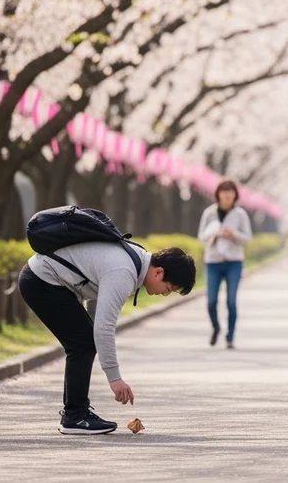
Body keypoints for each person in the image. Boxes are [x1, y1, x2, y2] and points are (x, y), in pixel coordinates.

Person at [20, 240, 196, 435]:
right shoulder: (125, 272)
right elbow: (104, 328)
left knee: (85, 342)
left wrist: (91, 331)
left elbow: (96, 297)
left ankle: (75, 413)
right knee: (83, 344)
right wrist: (115, 379)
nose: (165, 294)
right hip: (42, 280)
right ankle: (75, 416)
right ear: (158, 272)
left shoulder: (135, 260)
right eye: (169, 289)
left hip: (44, 279)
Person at [199, 179, 253, 349]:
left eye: (230, 191)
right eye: (223, 191)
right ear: (218, 194)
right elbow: (201, 236)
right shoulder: (209, 213)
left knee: (231, 301)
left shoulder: (240, 214)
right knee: (211, 301)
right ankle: (216, 327)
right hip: (213, 262)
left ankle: (230, 336)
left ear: (235, 195)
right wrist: (214, 234)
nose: (227, 194)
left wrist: (233, 234)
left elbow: (247, 238)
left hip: (234, 262)